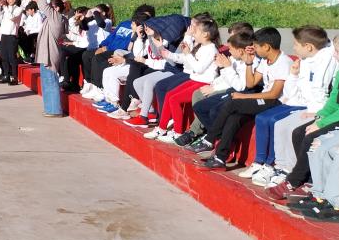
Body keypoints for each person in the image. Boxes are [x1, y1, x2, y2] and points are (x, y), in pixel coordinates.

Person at [238, 26, 336, 185]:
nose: (293, 48)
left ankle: (285, 168)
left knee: (287, 127)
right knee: (269, 121)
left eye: (296, 44)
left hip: (312, 108)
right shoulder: (303, 61)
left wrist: (317, 113)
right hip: (298, 103)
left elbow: (321, 91)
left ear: (308, 47)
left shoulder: (326, 59)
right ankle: (270, 165)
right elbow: (291, 92)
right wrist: (293, 74)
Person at [198, 28, 292, 170]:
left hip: (276, 103)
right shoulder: (266, 60)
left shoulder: (283, 63)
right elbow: (250, 83)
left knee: (232, 103)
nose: (254, 49)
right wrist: (249, 63)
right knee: (234, 118)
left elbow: (273, 94)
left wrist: (244, 96)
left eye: (256, 46)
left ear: (266, 47)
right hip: (265, 99)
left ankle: (209, 139)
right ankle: (220, 157)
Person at [144, 18, 221, 142]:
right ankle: (161, 128)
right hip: (195, 79)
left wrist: (188, 53)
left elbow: (198, 68)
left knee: (174, 99)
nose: (193, 32)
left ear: (205, 34)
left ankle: (177, 132)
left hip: (204, 82)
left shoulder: (211, 49)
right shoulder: (201, 46)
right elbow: (186, 60)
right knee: (169, 95)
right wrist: (168, 53)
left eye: (197, 31)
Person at [31, 0, 67, 117]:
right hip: (46, 53)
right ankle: (50, 108)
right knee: (47, 81)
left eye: (52, 6)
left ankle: (55, 110)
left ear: (57, 8)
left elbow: (44, 7)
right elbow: (43, 8)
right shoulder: (53, 18)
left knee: (51, 80)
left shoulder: (56, 17)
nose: (50, 7)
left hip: (50, 53)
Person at [0, 0, 23, 86]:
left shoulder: (18, 9)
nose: (8, 0)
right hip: (4, 35)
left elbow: (12, 18)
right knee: (4, 56)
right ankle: (6, 75)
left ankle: (14, 77)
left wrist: (5, 7)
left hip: (12, 36)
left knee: (12, 57)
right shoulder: (6, 8)